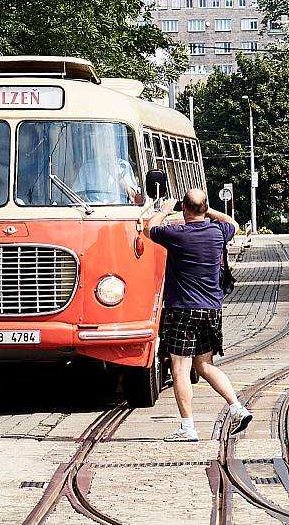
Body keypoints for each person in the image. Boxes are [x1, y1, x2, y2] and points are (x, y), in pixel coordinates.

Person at [145, 189, 252, 442]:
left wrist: (163, 210)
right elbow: (233, 223)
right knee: (204, 365)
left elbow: (149, 228)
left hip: (183, 310)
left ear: (184, 208)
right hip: (212, 309)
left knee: (180, 368)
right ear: (204, 208)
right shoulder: (218, 233)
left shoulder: (176, 234)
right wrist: (208, 209)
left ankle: (188, 427)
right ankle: (237, 407)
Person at [72, 157, 142, 205]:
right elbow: (76, 195)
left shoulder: (123, 166)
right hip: (92, 212)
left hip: (119, 211)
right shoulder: (87, 167)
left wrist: (116, 175)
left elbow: (133, 196)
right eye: (103, 145)